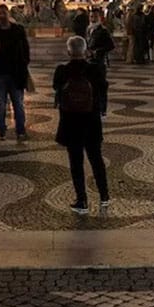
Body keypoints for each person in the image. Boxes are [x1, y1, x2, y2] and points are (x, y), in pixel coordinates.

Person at [52, 36, 110, 213]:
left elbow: (56, 88)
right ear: (85, 50)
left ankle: (82, 200)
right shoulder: (95, 69)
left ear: (69, 51)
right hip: (91, 120)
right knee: (96, 159)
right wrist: (102, 110)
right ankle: (104, 196)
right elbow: (103, 89)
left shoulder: (62, 70)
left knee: (76, 162)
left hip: (71, 121)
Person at [0, 3, 31, 142]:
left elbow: (26, 49)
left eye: (4, 13)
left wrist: (24, 63)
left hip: (16, 73)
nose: (2, 16)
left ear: (8, 14)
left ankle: (20, 130)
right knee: (0, 104)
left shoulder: (18, 30)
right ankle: (1, 130)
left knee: (18, 104)